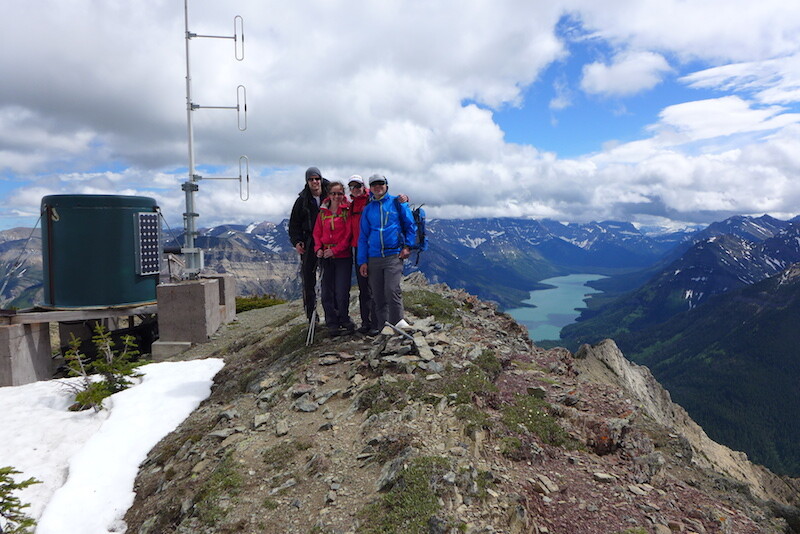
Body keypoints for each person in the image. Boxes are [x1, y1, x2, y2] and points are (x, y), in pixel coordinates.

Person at [357, 174, 416, 335]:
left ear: (386, 185)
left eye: (380, 184)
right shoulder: (368, 209)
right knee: (378, 295)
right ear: (371, 188)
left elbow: (410, 225)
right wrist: (362, 261)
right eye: (374, 184)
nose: (378, 187)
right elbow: (362, 237)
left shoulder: (397, 203)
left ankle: (399, 324)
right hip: (374, 257)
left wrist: (408, 246)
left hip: (393, 254)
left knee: (391, 289)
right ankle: (385, 328)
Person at [313, 181, 355, 335]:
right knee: (326, 292)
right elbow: (317, 233)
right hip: (325, 255)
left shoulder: (347, 210)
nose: (336, 196)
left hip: (342, 255)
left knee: (342, 291)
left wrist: (335, 250)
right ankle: (332, 322)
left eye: (339, 193)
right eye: (333, 193)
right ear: (329, 195)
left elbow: (348, 235)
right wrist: (318, 248)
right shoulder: (323, 212)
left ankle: (343, 318)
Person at [288, 166, 329, 320]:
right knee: (308, 279)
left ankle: (332, 313)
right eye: (311, 179)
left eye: (317, 178)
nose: (314, 182)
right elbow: (294, 224)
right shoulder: (302, 200)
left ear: (321, 179)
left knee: (328, 278)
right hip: (309, 242)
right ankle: (311, 315)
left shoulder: (330, 196)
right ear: (307, 181)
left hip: (328, 243)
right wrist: (297, 241)